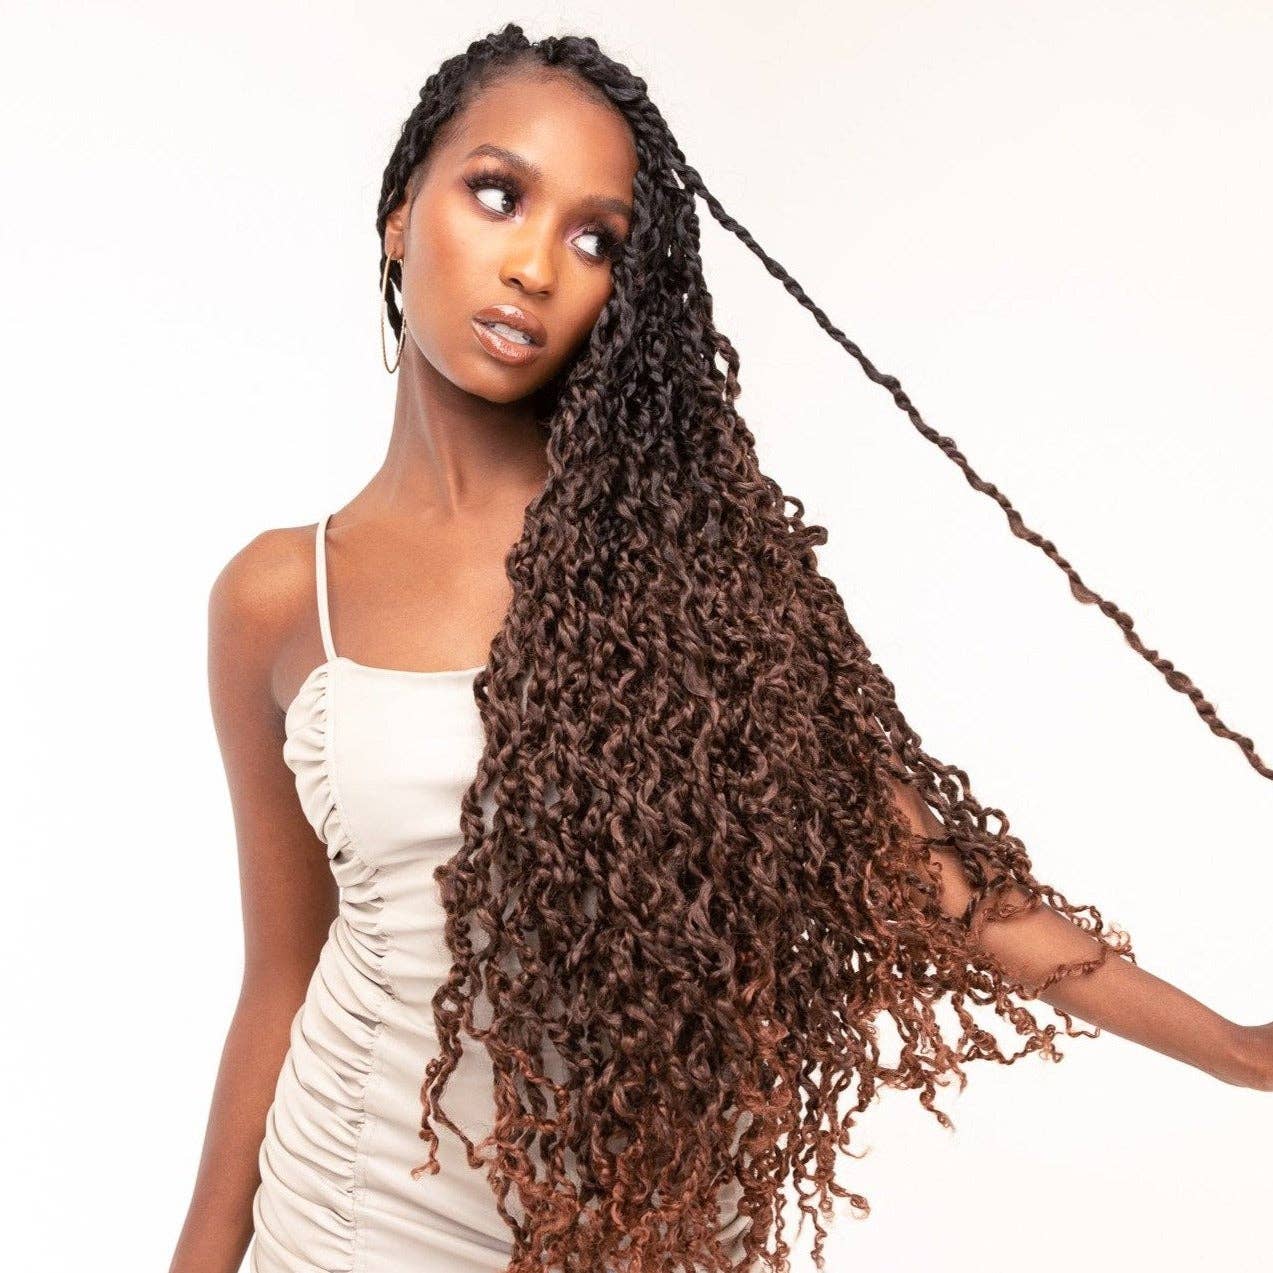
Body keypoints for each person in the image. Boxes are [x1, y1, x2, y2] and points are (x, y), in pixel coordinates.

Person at [168, 23, 1273, 1273]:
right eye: (497, 194)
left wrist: (1239, 1051)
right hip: (354, 1224)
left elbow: (932, 882)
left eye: (596, 239)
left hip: (645, 1232)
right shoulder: (278, 597)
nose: (533, 265)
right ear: (398, 215)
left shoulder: (697, 573)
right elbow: (282, 975)